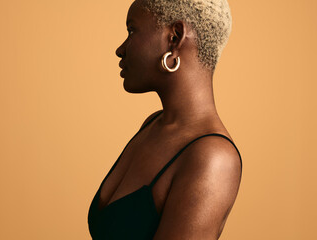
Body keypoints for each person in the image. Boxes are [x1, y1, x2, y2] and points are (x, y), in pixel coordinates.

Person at [87, 0, 242, 239]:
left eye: (131, 30)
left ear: (174, 37)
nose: (121, 49)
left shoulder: (213, 158)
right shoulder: (152, 125)